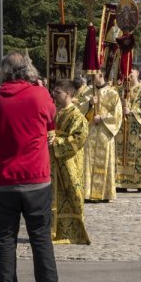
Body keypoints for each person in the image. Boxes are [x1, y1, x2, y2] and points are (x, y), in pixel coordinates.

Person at [0, 51, 63, 282]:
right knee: (40, 237)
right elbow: (52, 118)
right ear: (28, 69)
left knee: (5, 238)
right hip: (36, 177)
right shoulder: (39, 94)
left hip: (3, 179)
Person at [49, 77, 90, 245]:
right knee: (55, 196)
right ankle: (55, 231)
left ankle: (75, 232)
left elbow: (79, 138)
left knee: (72, 192)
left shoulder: (77, 116)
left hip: (70, 162)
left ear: (67, 94)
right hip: (55, 162)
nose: (54, 95)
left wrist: (56, 141)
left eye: (57, 92)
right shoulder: (56, 112)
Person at [78, 70, 122, 202]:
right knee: (88, 161)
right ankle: (88, 193)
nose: (91, 78)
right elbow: (78, 111)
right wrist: (89, 104)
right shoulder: (87, 93)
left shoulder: (112, 93)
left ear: (101, 75)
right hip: (90, 133)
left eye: (94, 75)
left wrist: (102, 118)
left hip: (105, 133)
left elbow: (118, 115)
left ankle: (105, 194)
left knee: (105, 161)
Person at [115, 68, 141, 192]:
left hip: (136, 128)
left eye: (131, 72)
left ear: (137, 73)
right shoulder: (121, 90)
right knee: (120, 155)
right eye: (127, 72)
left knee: (137, 154)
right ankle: (121, 182)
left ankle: (138, 183)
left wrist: (131, 112)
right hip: (121, 128)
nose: (129, 74)